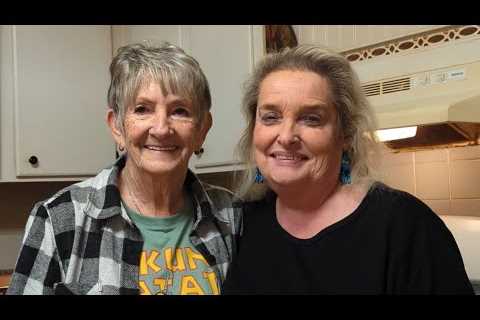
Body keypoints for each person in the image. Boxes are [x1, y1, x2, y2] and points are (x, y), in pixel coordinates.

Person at [223, 44, 474, 294]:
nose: (286, 136)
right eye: (270, 117)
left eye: (311, 118)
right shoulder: (241, 225)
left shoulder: (405, 226)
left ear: (345, 134)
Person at [7, 42, 242, 295]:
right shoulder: (58, 219)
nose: (161, 128)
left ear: (202, 129)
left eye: (180, 111)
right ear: (117, 126)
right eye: (142, 109)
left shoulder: (231, 215)